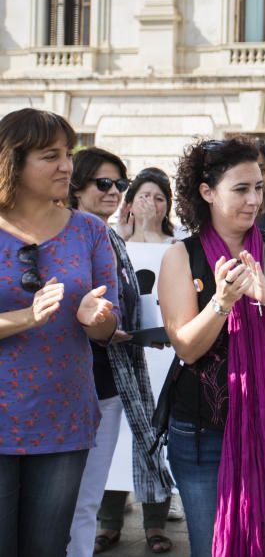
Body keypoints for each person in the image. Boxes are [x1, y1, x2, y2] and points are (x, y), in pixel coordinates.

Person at [157, 136, 265, 557]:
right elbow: (186, 347)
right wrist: (221, 303)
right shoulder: (181, 257)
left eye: (258, 187)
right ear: (207, 192)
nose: (254, 200)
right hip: (204, 433)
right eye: (240, 189)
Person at [0, 108, 119, 557]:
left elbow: (110, 327)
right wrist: (26, 317)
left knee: (49, 547)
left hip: (63, 419)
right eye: (51, 155)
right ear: (14, 161)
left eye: (69, 154)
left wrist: (97, 317)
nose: (67, 165)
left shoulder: (88, 230)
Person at [65, 149, 175, 556]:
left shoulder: (108, 235)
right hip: (72, 383)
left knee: (86, 502)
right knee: (66, 501)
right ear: (76, 187)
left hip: (113, 381)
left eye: (120, 185)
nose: (114, 192)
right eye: (103, 183)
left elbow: (119, 307)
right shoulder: (69, 234)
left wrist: (137, 332)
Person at [118, 168, 176, 244]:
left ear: (167, 207)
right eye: (145, 196)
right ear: (130, 206)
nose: (151, 203)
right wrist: (121, 240)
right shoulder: (119, 241)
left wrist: (150, 232)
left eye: (159, 199)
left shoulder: (177, 245)